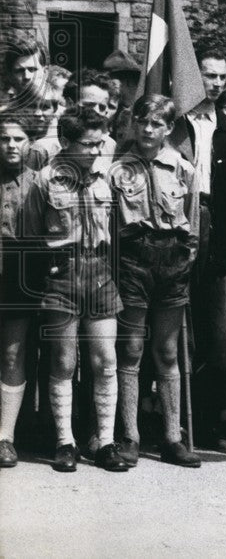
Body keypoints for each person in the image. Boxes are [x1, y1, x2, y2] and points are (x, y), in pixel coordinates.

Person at [21, 107, 128, 472]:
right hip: (61, 275)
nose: (97, 151)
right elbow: (31, 235)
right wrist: (48, 270)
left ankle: (106, 442)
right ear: (66, 142)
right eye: (89, 144)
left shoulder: (105, 178)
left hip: (99, 272)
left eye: (100, 143)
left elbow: (114, 231)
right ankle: (65, 442)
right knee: (64, 361)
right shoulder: (44, 180)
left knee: (106, 360)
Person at [109, 95, 201, 467]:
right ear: (134, 122)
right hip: (133, 260)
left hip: (172, 261)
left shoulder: (182, 168)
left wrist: (186, 257)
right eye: (143, 121)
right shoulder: (117, 168)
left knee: (167, 352)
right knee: (131, 348)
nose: (148, 129)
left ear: (168, 128)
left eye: (157, 124)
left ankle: (172, 437)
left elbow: (193, 222)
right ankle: (130, 435)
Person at [177, 52, 226, 453]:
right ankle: (169, 425)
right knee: (174, 332)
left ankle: (206, 425)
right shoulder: (174, 125)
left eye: (223, 77)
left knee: (217, 338)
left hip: (218, 238)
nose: (217, 83)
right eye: (209, 75)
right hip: (176, 233)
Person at [0, 115, 38, 467]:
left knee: (13, 353)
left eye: (18, 138)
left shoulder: (39, 183)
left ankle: (5, 437)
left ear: (30, 142)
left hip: (19, 274)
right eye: (4, 138)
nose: (11, 145)